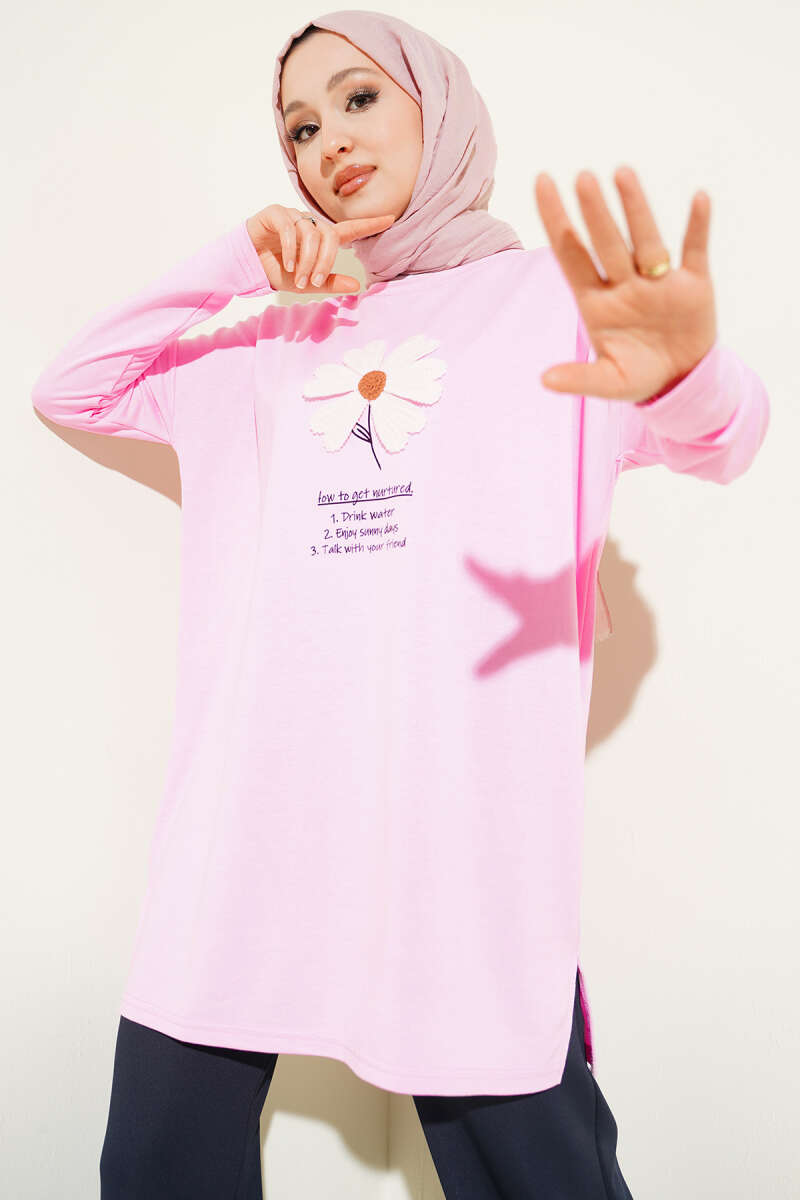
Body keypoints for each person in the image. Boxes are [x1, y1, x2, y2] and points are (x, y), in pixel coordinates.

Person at [31, 9, 770, 1199]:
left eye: (360, 97)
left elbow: (721, 441)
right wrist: (238, 258)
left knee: (535, 1172)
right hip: (246, 834)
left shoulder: (551, 301)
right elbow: (74, 388)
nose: (328, 139)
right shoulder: (266, 342)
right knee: (160, 1160)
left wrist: (687, 371)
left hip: (458, 842)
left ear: (440, 106)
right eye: (299, 126)